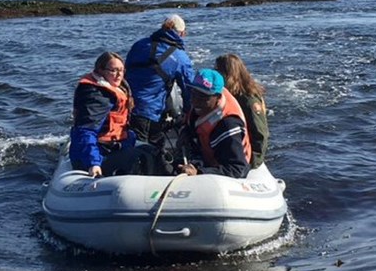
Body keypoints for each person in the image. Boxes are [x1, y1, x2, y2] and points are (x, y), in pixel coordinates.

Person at [125, 14, 196, 150]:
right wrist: (188, 114)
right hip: (150, 112)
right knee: (151, 152)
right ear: (181, 33)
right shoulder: (180, 57)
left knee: (132, 148)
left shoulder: (139, 45)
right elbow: (189, 90)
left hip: (127, 107)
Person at [69, 52, 138, 177]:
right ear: (100, 70)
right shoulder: (97, 96)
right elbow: (86, 130)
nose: (118, 75)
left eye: (121, 71)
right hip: (100, 154)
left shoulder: (117, 87)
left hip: (115, 147)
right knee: (144, 157)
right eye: (113, 70)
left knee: (150, 151)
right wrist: (93, 163)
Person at [177, 69, 252, 178]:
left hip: (220, 166)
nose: (196, 101)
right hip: (203, 153)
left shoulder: (228, 124)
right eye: (194, 94)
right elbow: (192, 121)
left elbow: (238, 168)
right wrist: (186, 131)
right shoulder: (200, 106)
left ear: (217, 97)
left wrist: (199, 172)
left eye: (203, 97)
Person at [215, 54, 270, 167]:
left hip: (244, 152)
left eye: (218, 70)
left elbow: (260, 133)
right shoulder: (230, 94)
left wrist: (253, 161)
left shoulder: (248, 101)